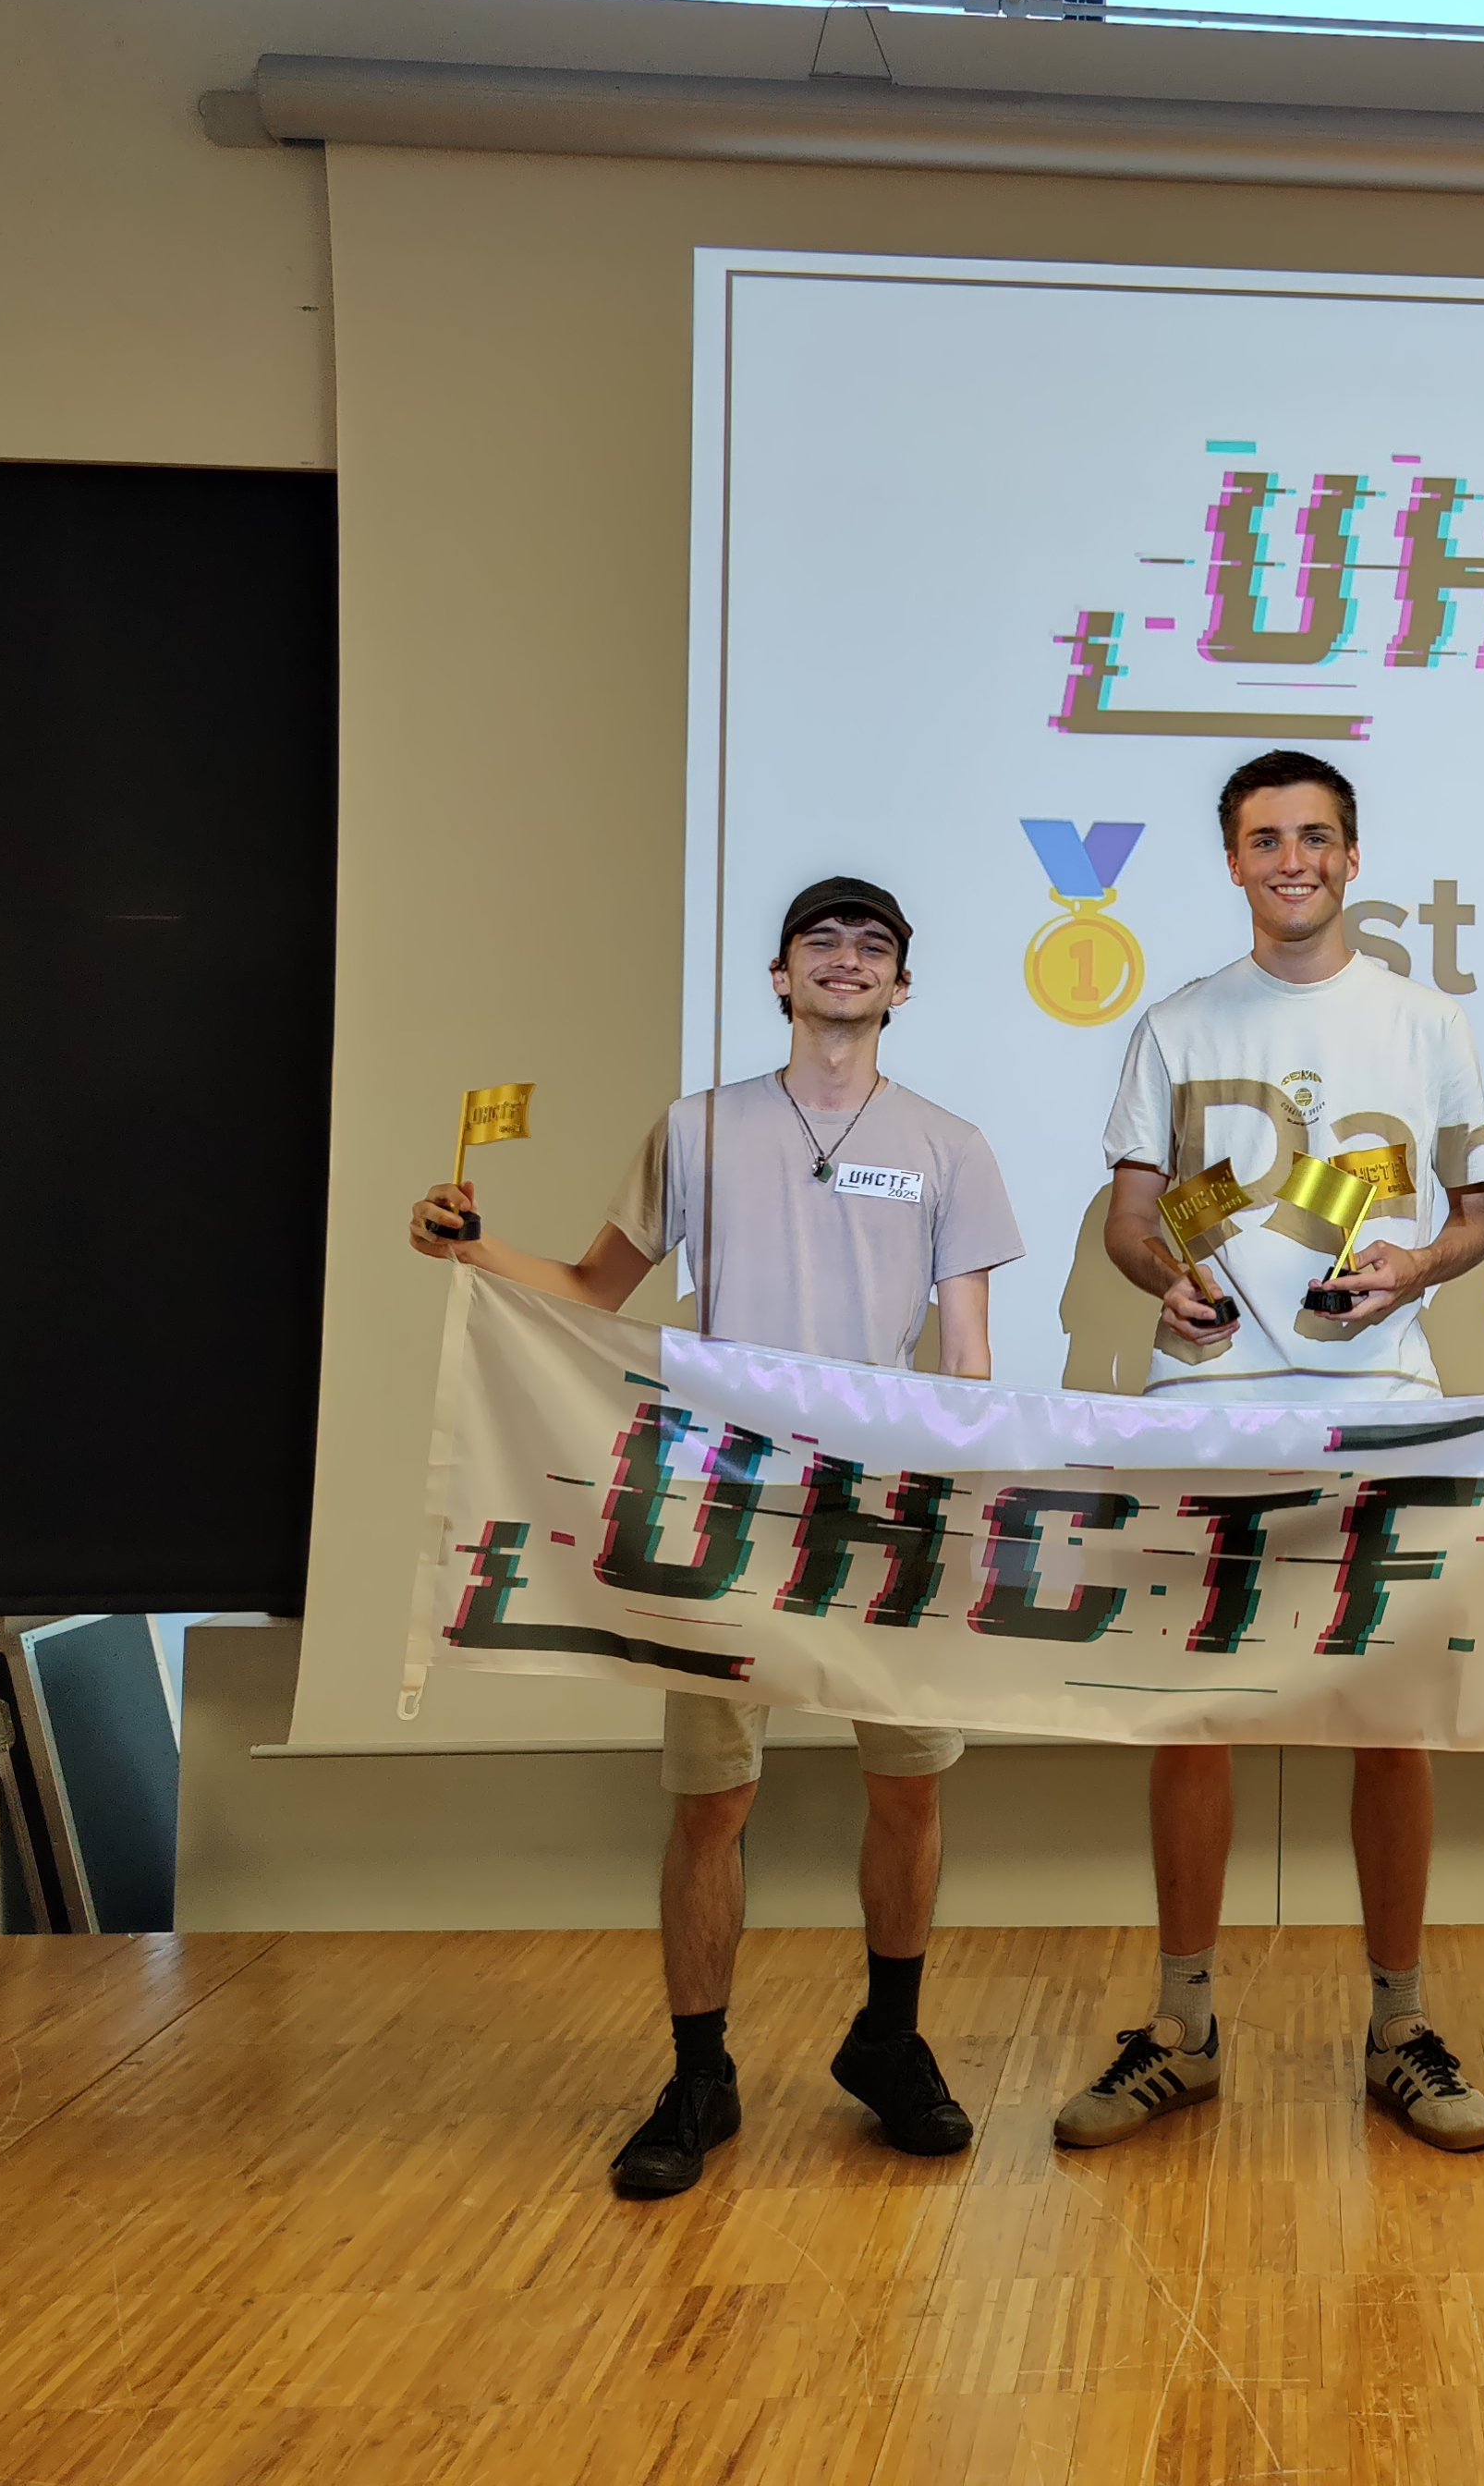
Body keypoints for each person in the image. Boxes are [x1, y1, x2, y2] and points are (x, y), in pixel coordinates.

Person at [407, 874, 1024, 2199]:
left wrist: (961, 1501)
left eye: (873, 946)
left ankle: (889, 2040)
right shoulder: (694, 1129)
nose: (847, 959)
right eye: (821, 942)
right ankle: (700, 2074)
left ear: (902, 984)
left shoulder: (952, 1146)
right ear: (781, 977)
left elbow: (967, 1356)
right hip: (727, 1504)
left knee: (909, 1788)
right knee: (712, 1801)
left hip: (884, 1510)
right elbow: (593, 1290)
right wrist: (474, 1250)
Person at [1060, 749, 1484, 2154]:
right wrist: (1163, 1277)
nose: (1292, 861)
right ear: (1235, 862)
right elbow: (1134, 1219)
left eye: (1315, 837)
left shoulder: (1427, 1020)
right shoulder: (1177, 1024)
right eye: (1265, 840)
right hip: (1212, 1405)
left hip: (1381, 1400)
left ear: (1353, 857)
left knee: (1386, 1718)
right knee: (1197, 1716)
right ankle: (1184, 2029)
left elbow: (1477, 1217)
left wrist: (1415, 1264)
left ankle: (1399, 2027)